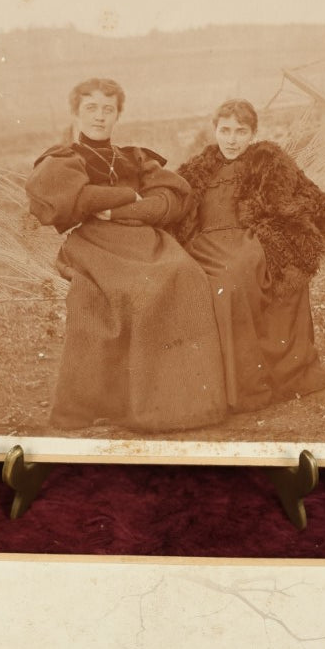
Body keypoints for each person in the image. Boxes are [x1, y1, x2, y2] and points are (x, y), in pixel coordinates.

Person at [25, 78, 227, 434]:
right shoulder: (64, 158)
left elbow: (174, 199)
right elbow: (64, 202)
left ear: (118, 115)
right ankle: (137, 404)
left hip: (142, 236)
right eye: (91, 108)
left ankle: (186, 404)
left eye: (108, 109)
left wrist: (128, 210)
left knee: (186, 275)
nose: (99, 117)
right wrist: (126, 196)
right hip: (94, 243)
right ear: (76, 112)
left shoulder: (134, 158)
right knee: (142, 290)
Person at [176, 99, 325, 405]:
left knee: (232, 281)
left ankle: (244, 389)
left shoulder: (267, 159)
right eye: (225, 130)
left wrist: (317, 213)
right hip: (202, 244)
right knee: (194, 281)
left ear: (252, 133)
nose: (232, 139)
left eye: (240, 131)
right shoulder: (198, 167)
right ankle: (214, 385)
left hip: (247, 240)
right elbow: (173, 201)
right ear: (214, 130)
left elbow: (300, 193)